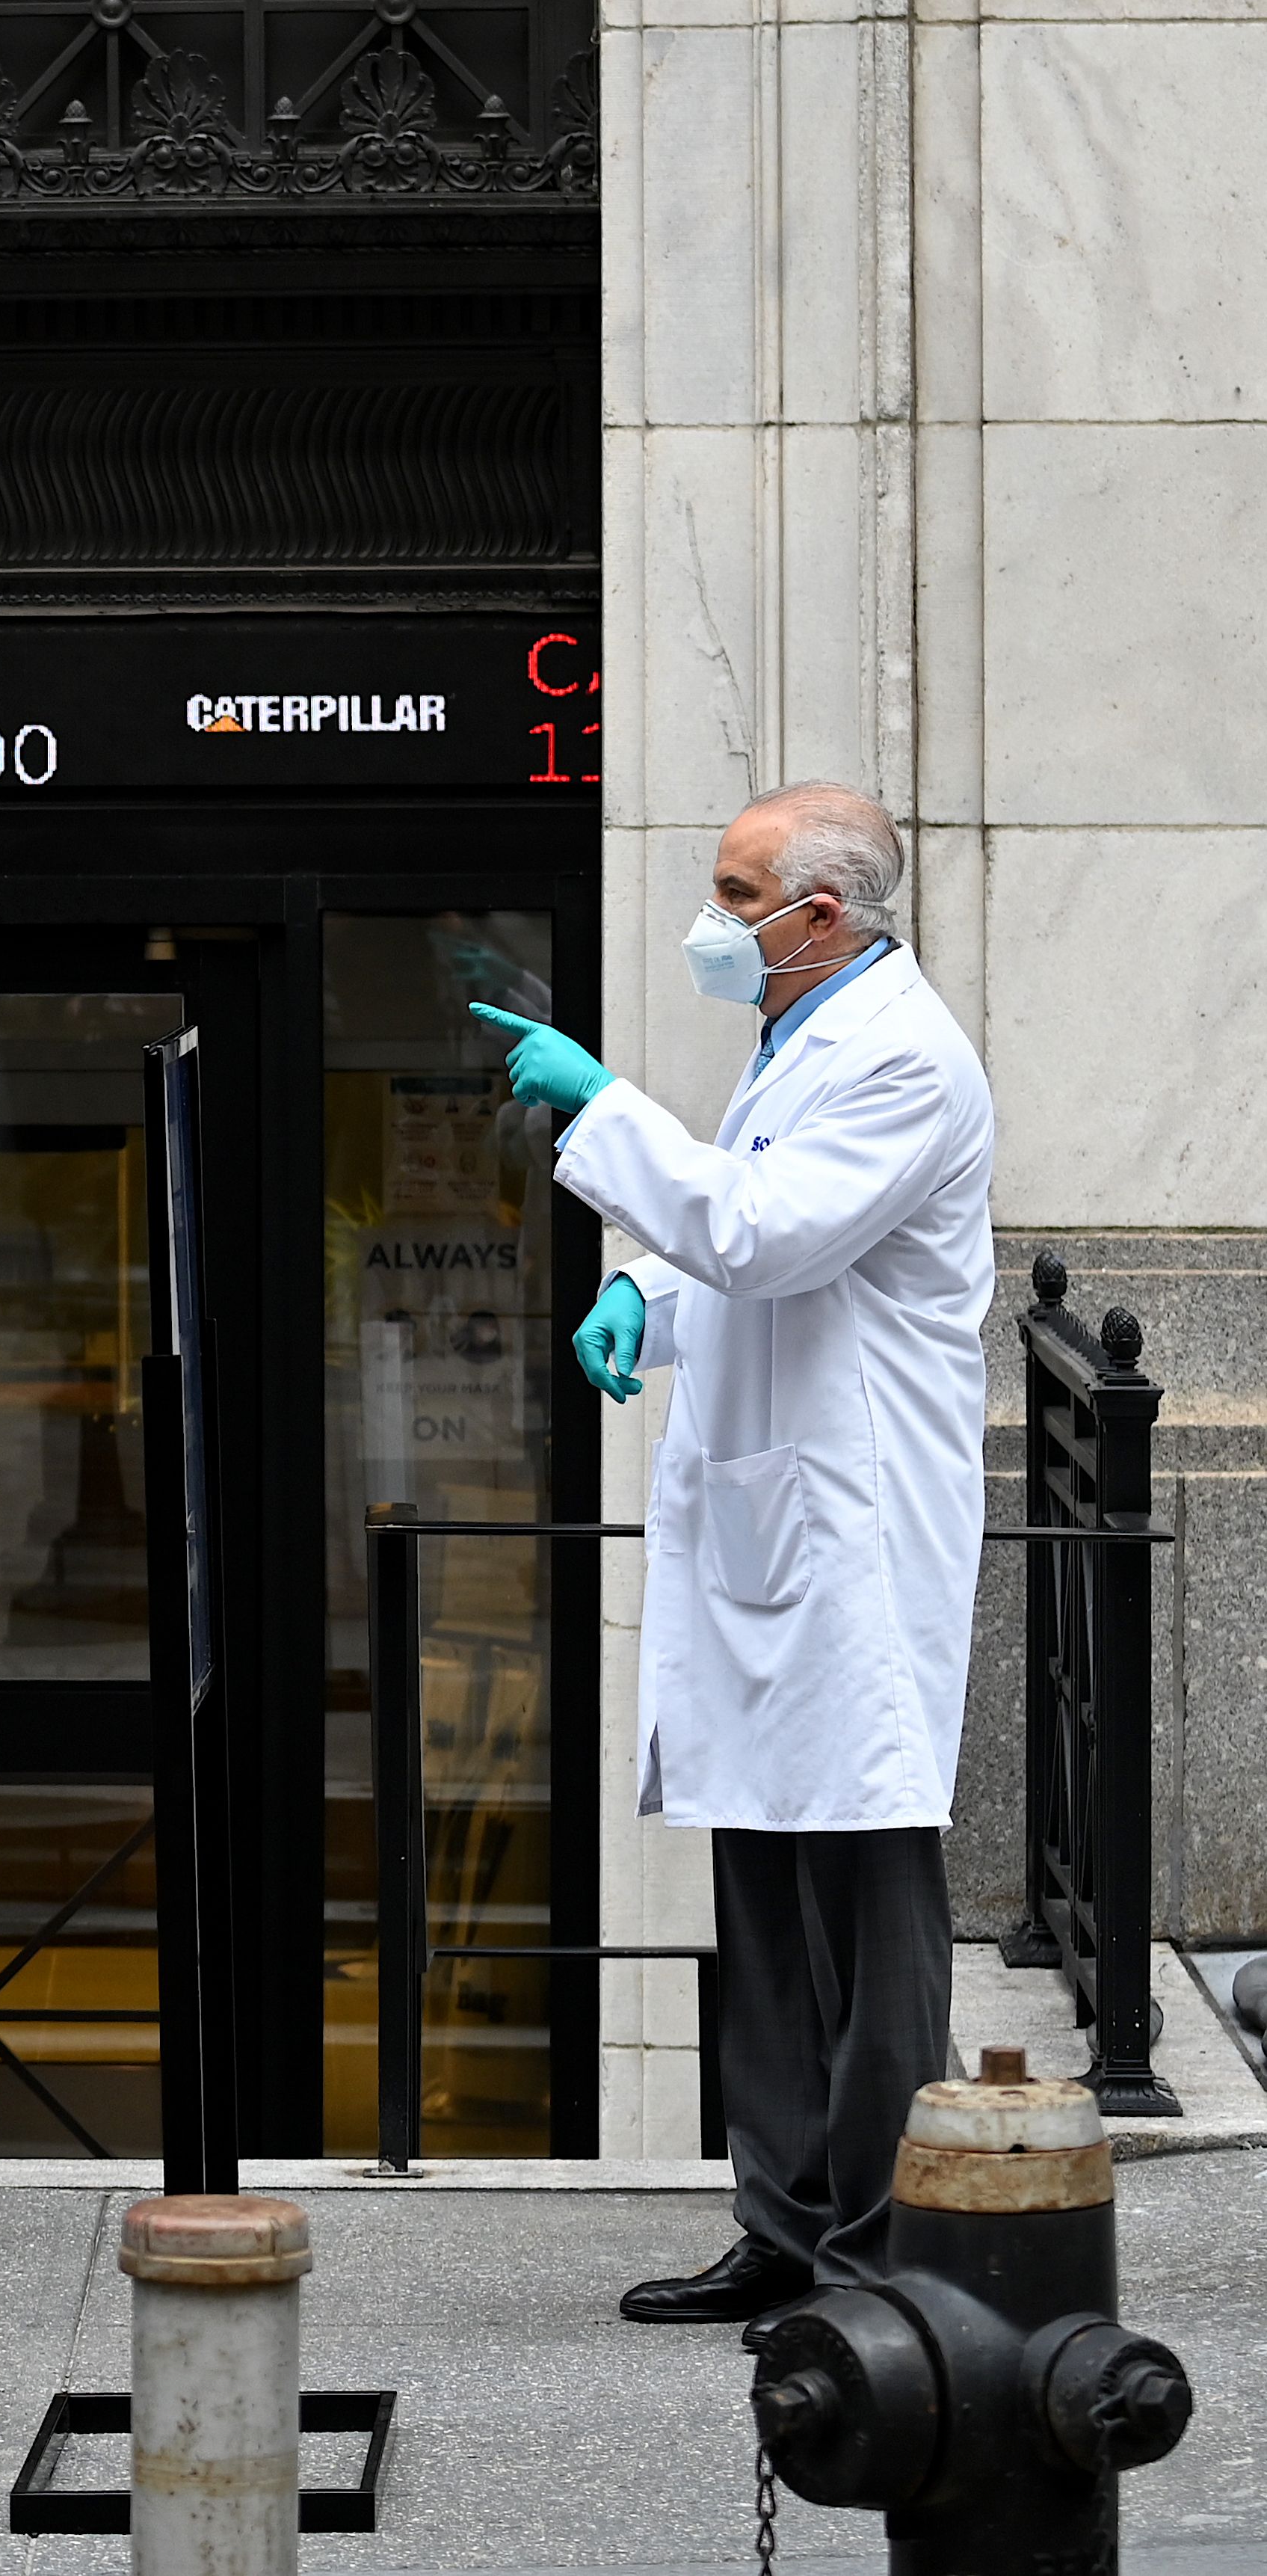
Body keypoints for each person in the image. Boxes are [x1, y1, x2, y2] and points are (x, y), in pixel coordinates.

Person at [472, 779, 992, 2317]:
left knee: (866, 1923)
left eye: (733, 889)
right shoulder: (806, 1037)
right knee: (762, 1904)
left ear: (818, 915)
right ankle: (783, 2225)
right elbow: (760, 1254)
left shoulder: (900, 1057)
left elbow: (771, 1233)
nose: (714, 919)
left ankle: (879, 2250)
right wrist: (657, 1291)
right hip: (787, 1525)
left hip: (854, 1541)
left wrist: (601, 1103)